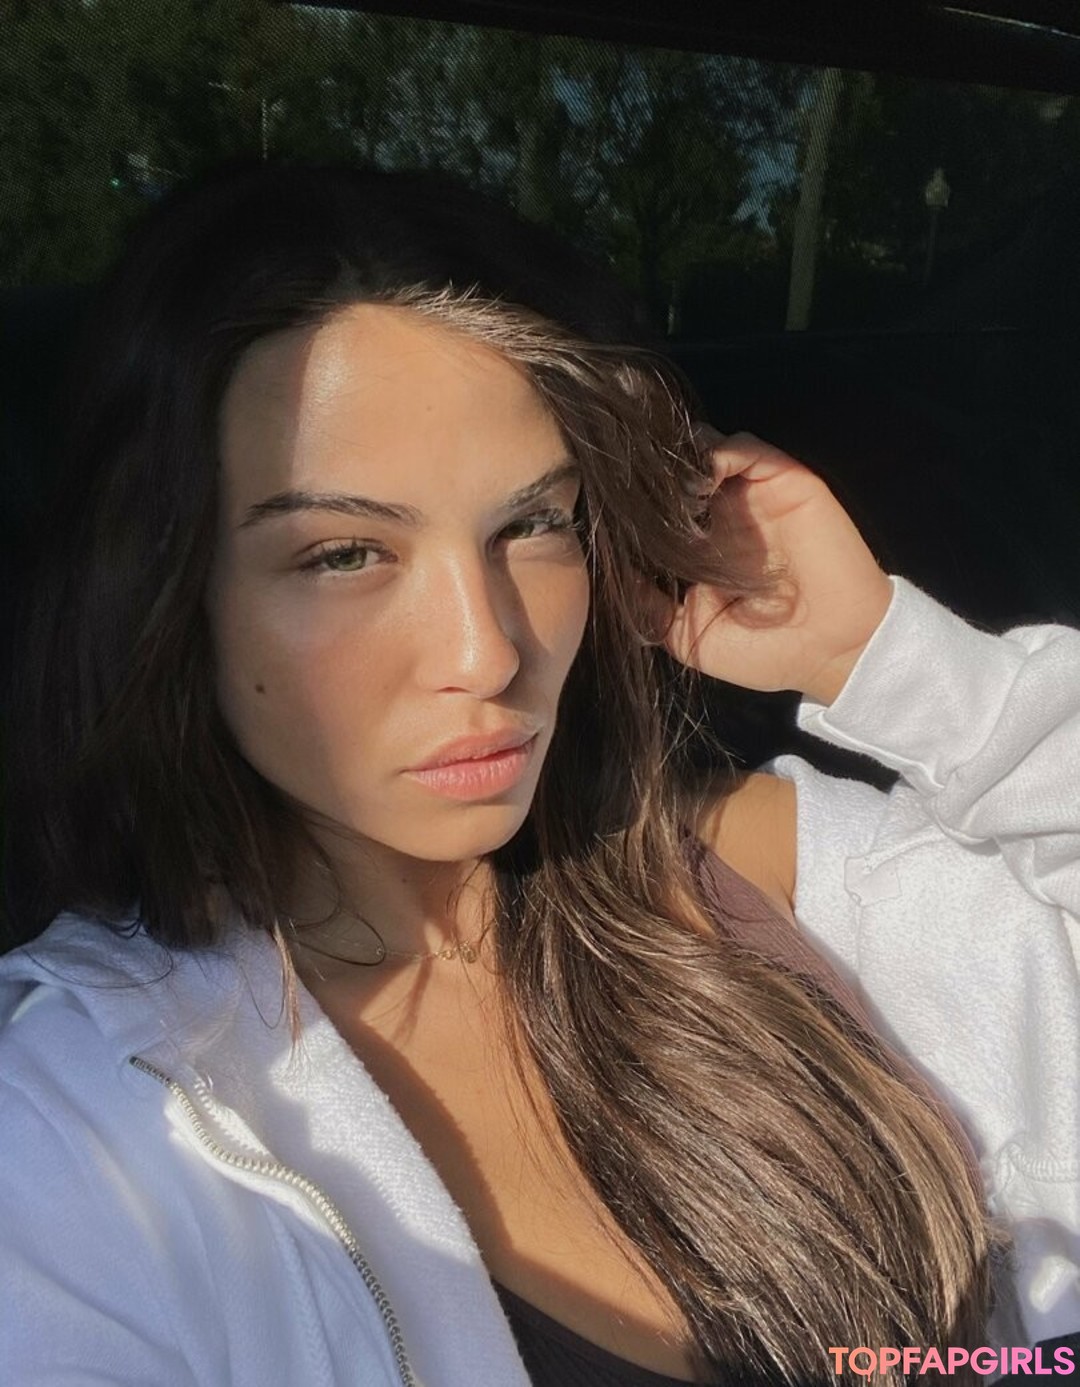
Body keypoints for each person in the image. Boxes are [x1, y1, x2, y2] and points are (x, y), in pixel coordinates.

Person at [0, 159, 1076, 1387]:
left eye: (531, 525)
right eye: (344, 554)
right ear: (170, 592)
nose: (488, 651)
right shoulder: (82, 1132)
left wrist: (884, 658)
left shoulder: (763, 875)